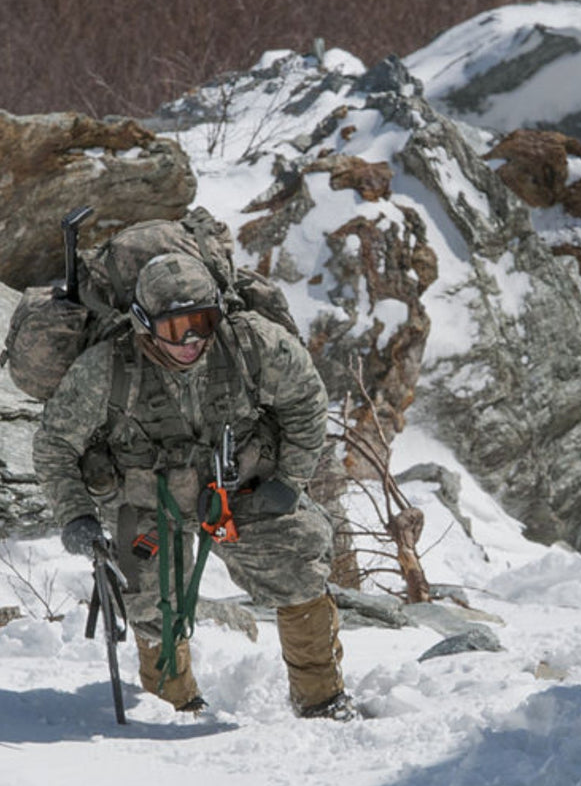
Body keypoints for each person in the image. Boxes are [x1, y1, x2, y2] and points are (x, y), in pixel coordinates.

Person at [33, 251, 354, 719]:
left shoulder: (253, 345)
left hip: (242, 490)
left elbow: (306, 402)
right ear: (144, 323)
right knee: (148, 606)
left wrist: (290, 479)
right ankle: (173, 708)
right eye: (172, 328)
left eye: (202, 322)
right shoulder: (104, 370)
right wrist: (76, 516)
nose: (189, 340)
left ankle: (322, 699)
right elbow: (54, 446)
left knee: (298, 563)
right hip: (148, 502)